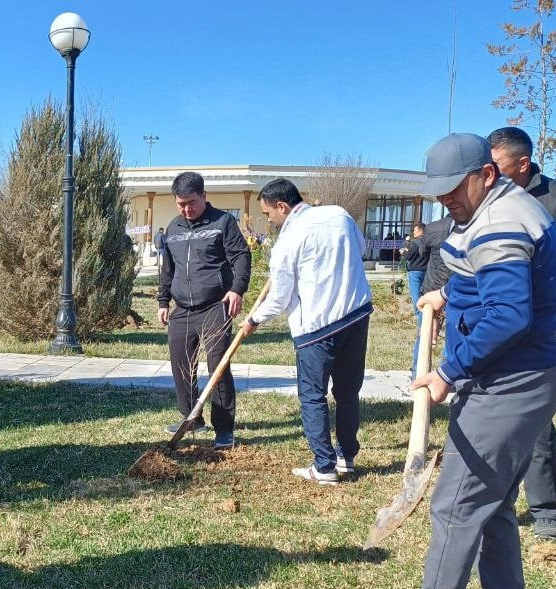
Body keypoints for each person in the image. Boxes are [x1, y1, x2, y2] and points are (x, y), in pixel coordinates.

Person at [353, 133, 556, 589]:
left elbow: (508, 313)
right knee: (489, 503)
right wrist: (446, 294)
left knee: (454, 503)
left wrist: (448, 371)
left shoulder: (501, 220)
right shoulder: (485, 214)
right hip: (512, 374)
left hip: (515, 379)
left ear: (486, 175)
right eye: (437, 190)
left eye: (453, 187)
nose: (444, 198)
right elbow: (484, 276)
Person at [487, 126, 556, 540]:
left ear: (523, 163)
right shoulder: (487, 196)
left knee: (536, 419)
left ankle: (545, 512)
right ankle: (493, 501)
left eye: (496, 165)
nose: (488, 173)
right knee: (488, 412)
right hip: (494, 324)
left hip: (543, 326)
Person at [237, 178, 372, 484]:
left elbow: (281, 297)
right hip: (356, 314)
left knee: (312, 396)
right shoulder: (339, 214)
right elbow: (360, 249)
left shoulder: (288, 240)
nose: (269, 221)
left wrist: (254, 320)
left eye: (269, 214)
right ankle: (345, 456)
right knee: (348, 391)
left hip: (317, 327)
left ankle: (324, 467)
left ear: (282, 206)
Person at [157, 171, 251, 449]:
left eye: (191, 203)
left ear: (204, 196)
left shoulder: (224, 222)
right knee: (181, 365)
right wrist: (163, 301)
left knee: (218, 366)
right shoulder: (173, 229)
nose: (186, 209)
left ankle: (224, 428)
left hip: (215, 306)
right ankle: (191, 417)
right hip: (182, 309)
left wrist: (237, 289)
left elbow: (241, 257)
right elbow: (167, 269)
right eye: (181, 204)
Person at [401, 222, 431, 376]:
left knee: (416, 298)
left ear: (420, 230)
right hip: (426, 272)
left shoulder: (414, 244)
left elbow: (408, 256)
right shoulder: (429, 243)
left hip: (414, 273)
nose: (413, 232)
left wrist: (403, 252)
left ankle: (419, 313)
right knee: (423, 295)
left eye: (414, 230)